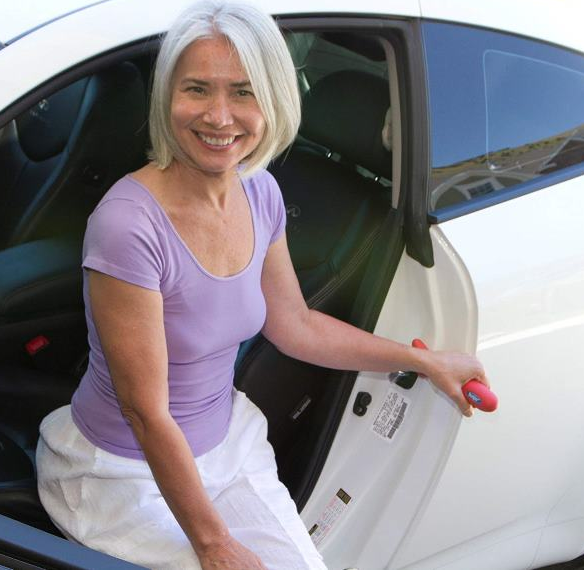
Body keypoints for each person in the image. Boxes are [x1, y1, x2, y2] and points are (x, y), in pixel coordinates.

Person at [36, 2, 489, 569]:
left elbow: (295, 325)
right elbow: (145, 411)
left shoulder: (259, 192)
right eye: (197, 89)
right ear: (166, 97)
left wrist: (423, 361)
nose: (219, 117)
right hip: (127, 472)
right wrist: (215, 544)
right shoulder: (128, 224)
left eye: (244, 92)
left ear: (274, 98)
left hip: (227, 445)